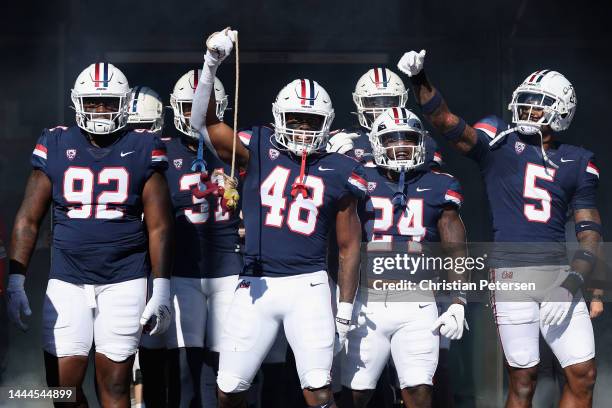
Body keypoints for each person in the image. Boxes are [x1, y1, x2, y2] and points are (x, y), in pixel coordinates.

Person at [397, 50, 601, 407]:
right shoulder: (498, 143)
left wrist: (575, 282)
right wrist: (420, 80)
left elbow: (589, 232)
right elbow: (446, 123)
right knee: (523, 380)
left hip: (558, 272)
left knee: (583, 375)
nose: (528, 110)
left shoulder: (578, 161)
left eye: (539, 105)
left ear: (561, 112)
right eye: (526, 102)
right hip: (512, 276)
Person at [190, 29, 365, 408]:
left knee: (318, 389)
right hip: (256, 283)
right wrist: (211, 63)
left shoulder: (338, 167)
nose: (302, 127)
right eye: (296, 118)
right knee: (229, 388)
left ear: (327, 123)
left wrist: (345, 309)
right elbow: (200, 124)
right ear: (279, 116)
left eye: (310, 120)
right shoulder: (258, 148)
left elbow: (350, 247)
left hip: (309, 286)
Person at [6, 62, 173, 407]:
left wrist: (162, 286)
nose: (100, 110)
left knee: (114, 387)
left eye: (109, 101)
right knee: (62, 391)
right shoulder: (55, 142)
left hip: (123, 279)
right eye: (93, 102)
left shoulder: (143, 147)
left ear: (124, 103)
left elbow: (159, 223)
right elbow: (28, 218)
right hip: (68, 279)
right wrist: (15, 280)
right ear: (76, 102)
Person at [339, 107, 468, 408]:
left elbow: (456, 248)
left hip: (418, 303)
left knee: (419, 391)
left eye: (408, 139)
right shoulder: (357, 179)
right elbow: (340, 240)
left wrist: (458, 301)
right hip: (367, 300)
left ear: (421, 142)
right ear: (375, 143)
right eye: (391, 139)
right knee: (355, 393)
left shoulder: (440, 184)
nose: (400, 147)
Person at [165, 69, 242, 407]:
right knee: (183, 370)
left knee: (224, 370)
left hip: (228, 269)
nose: (191, 115)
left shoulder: (239, 149)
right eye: (185, 106)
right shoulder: (161, 151)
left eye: (199, 106)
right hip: (182, 271)